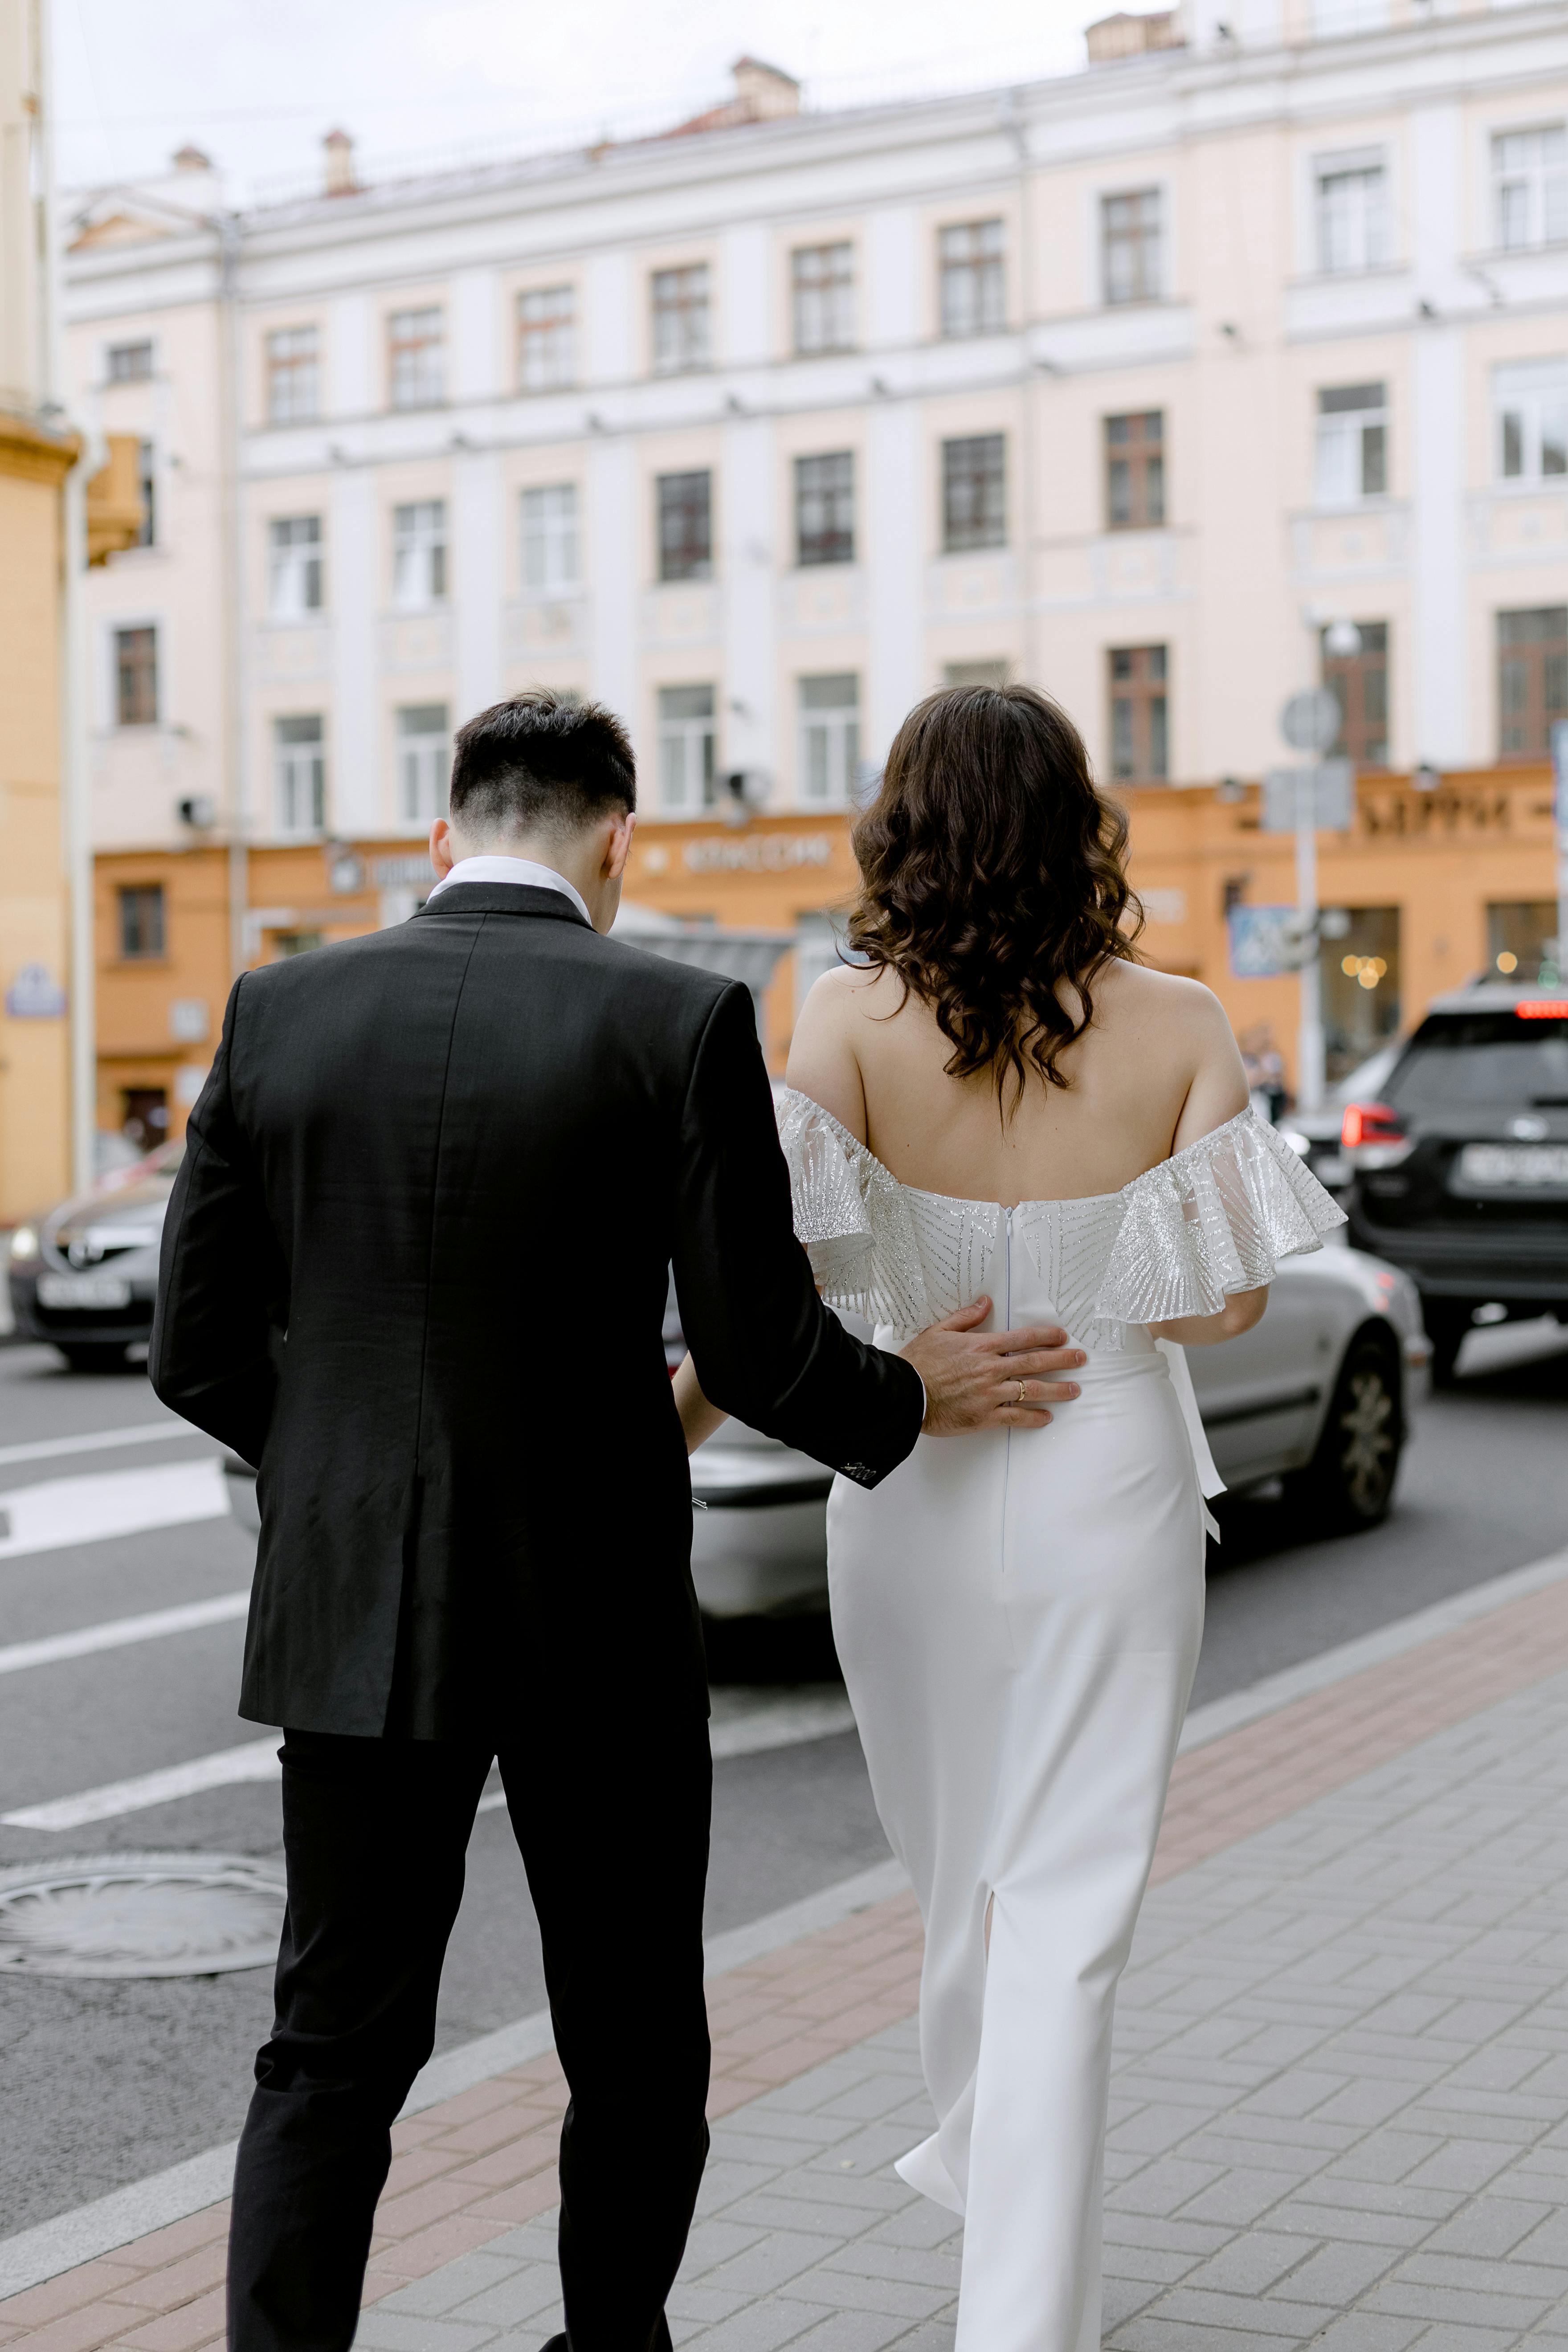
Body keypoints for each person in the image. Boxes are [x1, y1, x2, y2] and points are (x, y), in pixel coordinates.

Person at [150, 689, 1086, 2352]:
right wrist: (908, 1392)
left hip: (352, 1595)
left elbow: (198, 1347)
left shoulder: (278, 1008)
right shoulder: (676, 1017)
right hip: (594, 1608)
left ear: (446, 831)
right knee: (635, 2040)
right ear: (618, 843)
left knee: (332, 2046)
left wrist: (340, 1481)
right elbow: (751, 1345)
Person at [674, 684, 1343, 2352]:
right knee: (1066, 1900)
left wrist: (925, 1337)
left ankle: (1019, 2283)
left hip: (910, 1474)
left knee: (965, 1870)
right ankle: (1016, 2218)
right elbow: (1228, 1315)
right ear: (1080, 825)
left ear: (903, 824)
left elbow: (781, 1288)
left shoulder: (838, 1017)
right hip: (1110, 1472)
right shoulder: (1184, 1019)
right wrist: (1093, 1284)